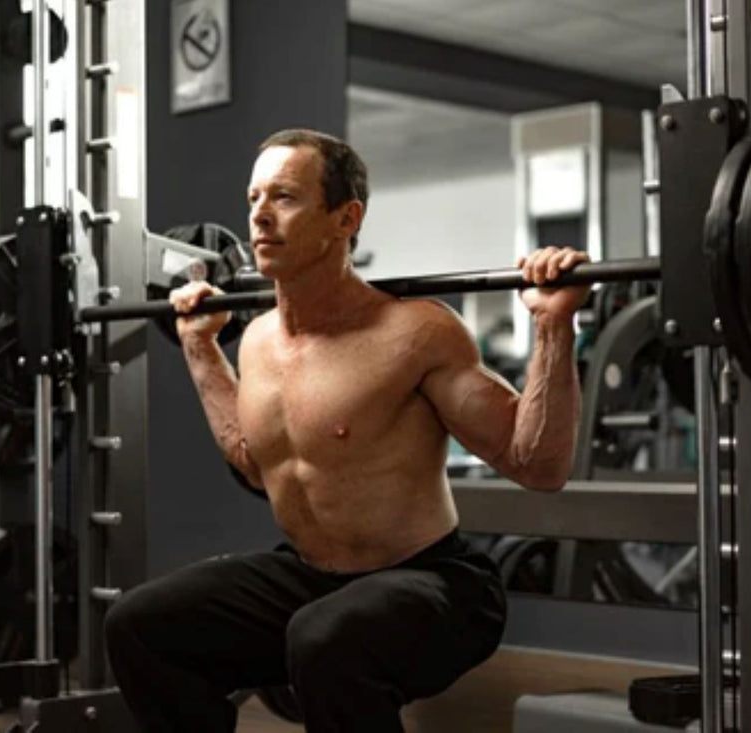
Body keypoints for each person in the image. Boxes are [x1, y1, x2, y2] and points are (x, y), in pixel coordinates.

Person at [104, 128, 591, 732]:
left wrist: (553, 327)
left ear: (345, 217)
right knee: (143, 624)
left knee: (325, 636)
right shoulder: (256, 341)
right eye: (253, 198)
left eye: (283, 197)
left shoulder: (412, 333)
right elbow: (256, 465)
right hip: (313, 577)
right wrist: (201, 348)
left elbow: (538, 465)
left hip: (435, 584)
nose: (259, 215)